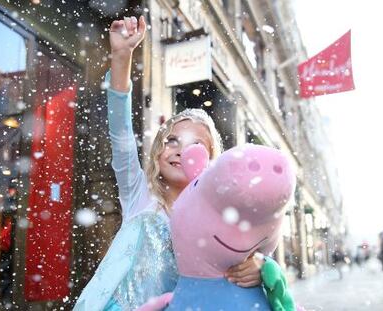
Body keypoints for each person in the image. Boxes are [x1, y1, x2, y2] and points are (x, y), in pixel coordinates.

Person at [73, 16, 263, 311]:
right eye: (172, 141)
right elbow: (121, 132)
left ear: (211, 164)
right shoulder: (139, 195)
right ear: (159, 150)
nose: (179, 151)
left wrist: (258, 265)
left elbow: (250, 248)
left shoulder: (216, 218)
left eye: (195, 146)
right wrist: (122, 57)